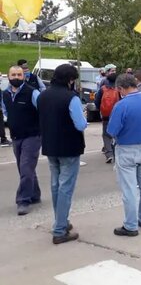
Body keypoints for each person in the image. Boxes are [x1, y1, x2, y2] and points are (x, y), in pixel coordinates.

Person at [107, 74, 141, 237]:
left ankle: (130, 225)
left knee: (129, 189)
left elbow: (112, 130)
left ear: (121, 88)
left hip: (126, 149)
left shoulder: (121, 105)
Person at [37, 64, 87, 244]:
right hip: (69, 147)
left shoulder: (42, 95)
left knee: (55, 185)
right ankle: (59, 230)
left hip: (50, 145)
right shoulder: (71, 98)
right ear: (71, 80)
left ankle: (61, 221)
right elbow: (80, 125)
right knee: (66, 187)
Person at [1, 66, 41, 215]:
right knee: (25, 168)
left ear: (24, 76)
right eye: (13, 75)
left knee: (25, 168)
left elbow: (41, 110)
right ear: (8, 76)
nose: (16, 77)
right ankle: (35, 194)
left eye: (19, 74)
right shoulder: (5, 94)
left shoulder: (32, 92)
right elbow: (6, 112)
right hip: (16, 136)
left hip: (32, 136)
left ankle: (23, 200)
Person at [94, 64, 120, 163]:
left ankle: (109, 153)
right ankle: (116, 151)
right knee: (117, 133)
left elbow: (97, 100)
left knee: (106, 134)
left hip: (105, 113)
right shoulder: (119, 87)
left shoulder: (103, 87)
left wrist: (100, 109)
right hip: (117, 113)